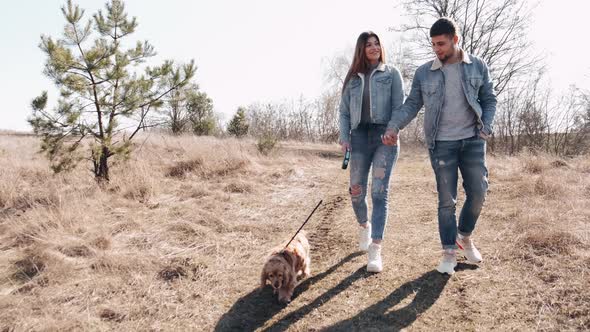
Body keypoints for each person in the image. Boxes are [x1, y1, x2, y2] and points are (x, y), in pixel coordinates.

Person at [382, 17, 497, 275]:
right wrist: (394, 126)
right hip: (441, 143)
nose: (437, 49)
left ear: (455, 40)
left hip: (473, 140)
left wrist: (486, 126)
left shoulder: (477, 66)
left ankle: (464, 236)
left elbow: (489, 99)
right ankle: (449, 251)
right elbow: (412, 104)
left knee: (479, 192)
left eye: (442, 44)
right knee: (447, 201)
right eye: (433, 45)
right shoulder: (425, 73)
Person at [339, 31, 404, 273]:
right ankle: (364, 225)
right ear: (361, 49)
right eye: (369, 44)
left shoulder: (392, 74)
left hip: (384, 138)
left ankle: (375, 248)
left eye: (377, 43)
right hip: (358, 137)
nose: (375, 47)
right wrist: (344, 138)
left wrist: (393, 129)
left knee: (379, 191)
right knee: (356, 190)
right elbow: (344, 112)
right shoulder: (353, 79)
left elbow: (400, 106)